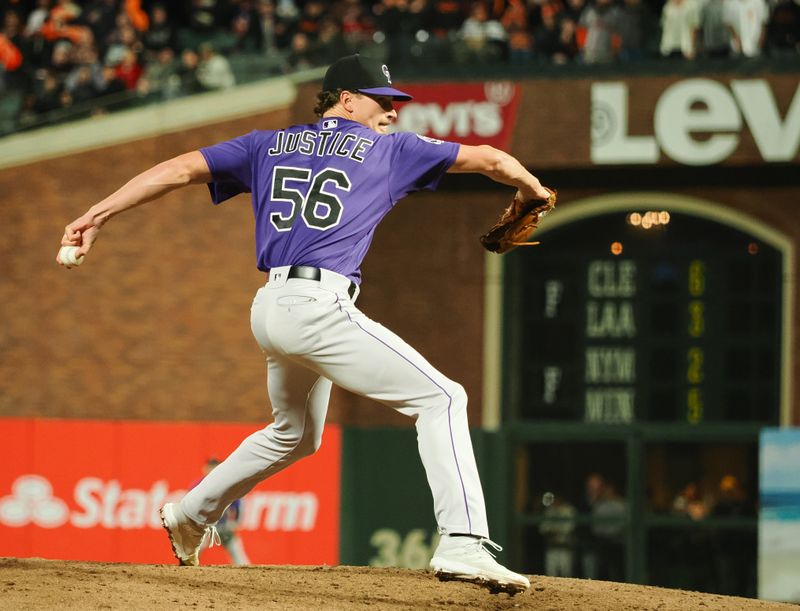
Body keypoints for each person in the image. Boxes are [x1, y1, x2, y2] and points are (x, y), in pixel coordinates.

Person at [57, 53, 551, 593]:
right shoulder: (390, 150)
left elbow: (177, 169)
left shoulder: (266, 144)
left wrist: (96, 213)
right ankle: (463, 542)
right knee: (443, 398)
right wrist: (533, 191)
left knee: (295, 434)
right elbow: (491, 161)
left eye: (394, 104)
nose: (391, 112)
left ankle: (191, 514)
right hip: (318, 305)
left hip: (271, 307)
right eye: (382, 101)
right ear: (345, 99)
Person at [194, 458, 251, 566]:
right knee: (195, 550)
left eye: (215, 468)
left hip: (222, 525)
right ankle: (185, 571)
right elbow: (189, 506)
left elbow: (238, 503)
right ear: (205, 469)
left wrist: (236, 522)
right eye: (210, 467)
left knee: (236, 551)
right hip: (203, 527)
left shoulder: (227, 485)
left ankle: (247, 573)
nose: (212, 470)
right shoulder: (197, 485)